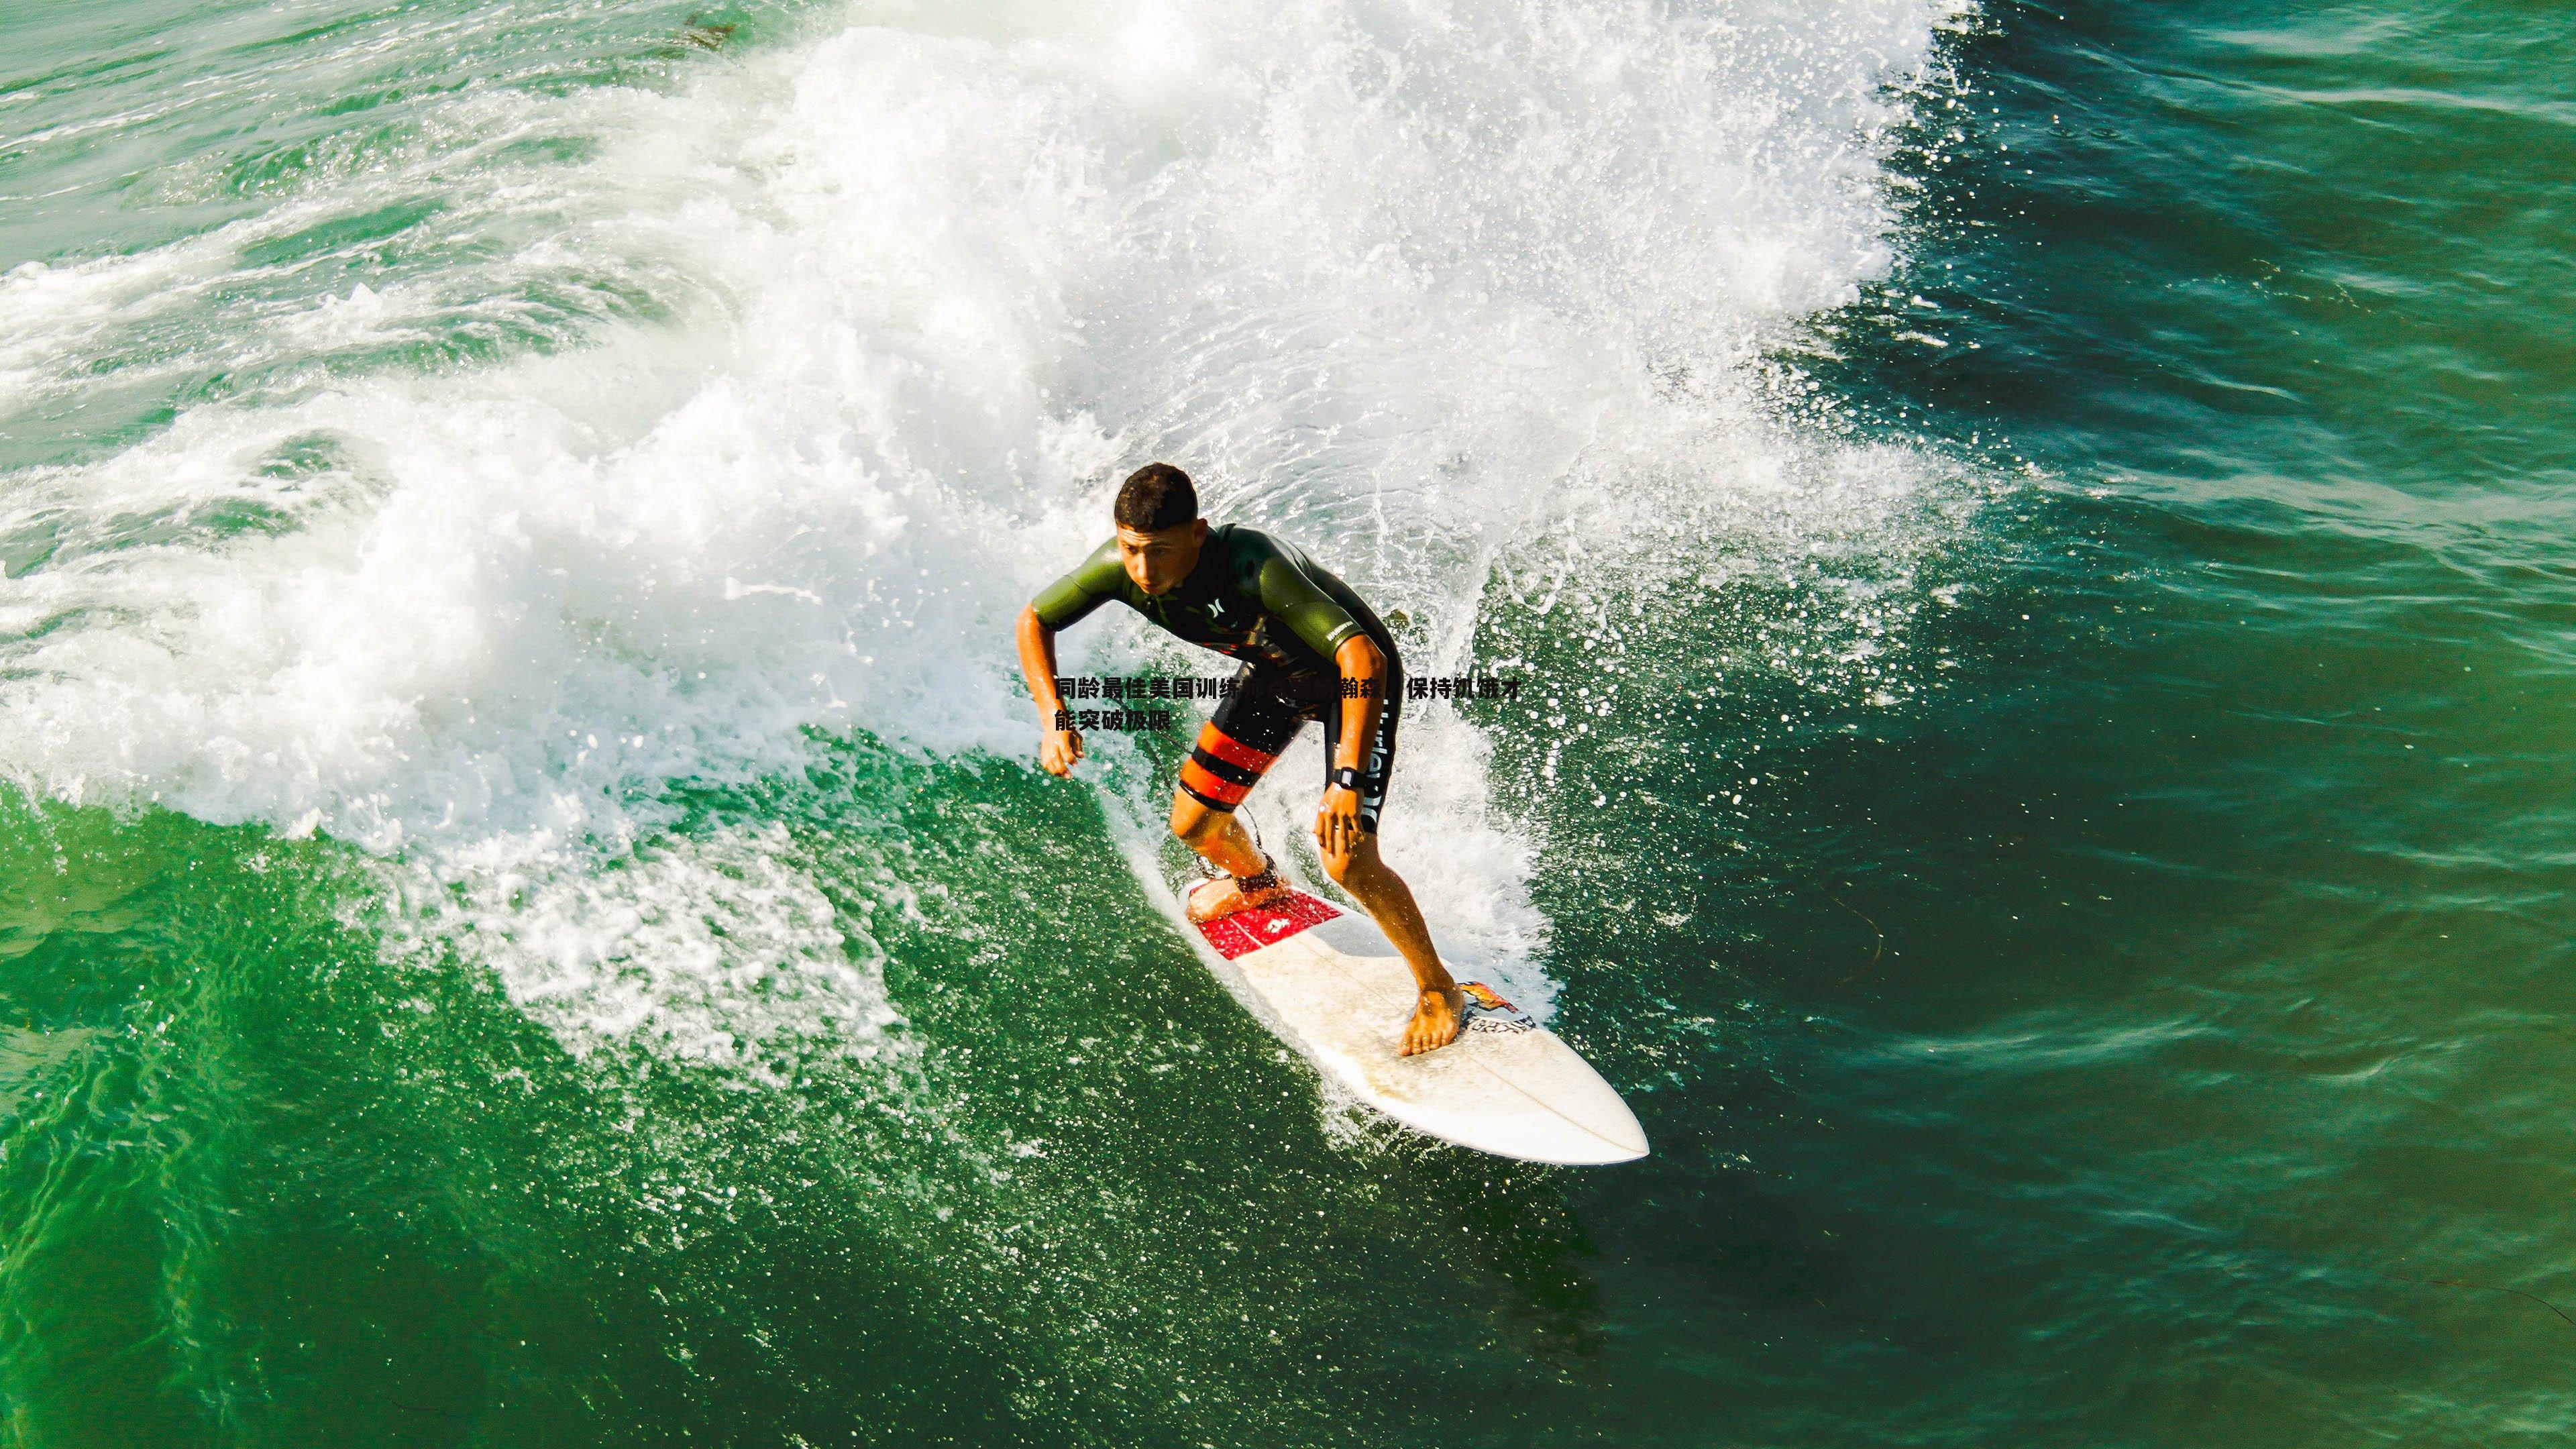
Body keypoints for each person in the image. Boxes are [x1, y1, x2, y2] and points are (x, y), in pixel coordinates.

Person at [1014, 463, 1465, 1056]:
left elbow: (1361, 657)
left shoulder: (1255, 566)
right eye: (1130, 550)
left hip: (1356, 685)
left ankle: (1439, 990)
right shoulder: (1117, 569)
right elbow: (1035, 619)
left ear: (1198, 534)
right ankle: (1258, 882)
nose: (1144, 571)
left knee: (1347, 856)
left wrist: (1347, 780)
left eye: (1160, 552)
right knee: (1194, 825)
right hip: (1277, 676)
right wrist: (1055, 716)